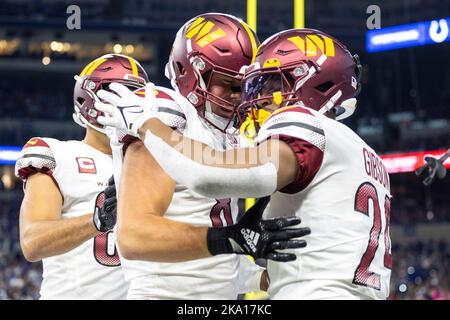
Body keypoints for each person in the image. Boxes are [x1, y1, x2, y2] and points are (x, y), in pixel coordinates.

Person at [97, 28, 392, 300]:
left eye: (274, 83)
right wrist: (256, 266)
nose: (257, 98)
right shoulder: (367, 156)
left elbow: (205, 175)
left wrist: (146, 123)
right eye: (256, 86)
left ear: (315, 80)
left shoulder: (302, 124)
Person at [95, 13, 309, 299]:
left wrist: (270, 276)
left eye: (244, 86)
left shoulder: (233, 136)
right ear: (190, 72)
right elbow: (135, 236)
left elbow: (214, 264)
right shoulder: (165, 113)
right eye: (229, 84)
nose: (238, 96)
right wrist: (230, 239)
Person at [14, 53, 148, 299]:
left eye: (133, 97)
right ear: (88, 98)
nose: (124, 104)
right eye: (114, 94)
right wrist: (96, 222)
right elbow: (32, 243)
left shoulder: (154, 166)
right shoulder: (59, 154)